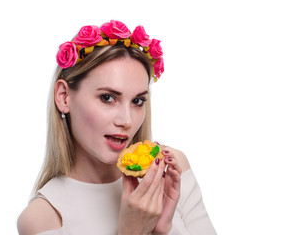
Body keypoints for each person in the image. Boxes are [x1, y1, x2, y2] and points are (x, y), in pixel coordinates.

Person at [17, 20, 216, 235]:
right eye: (107, 97)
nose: (127, 120)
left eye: (138, 101)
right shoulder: (43, 218)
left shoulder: (172, 168)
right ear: (64, 97)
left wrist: (161, 231)